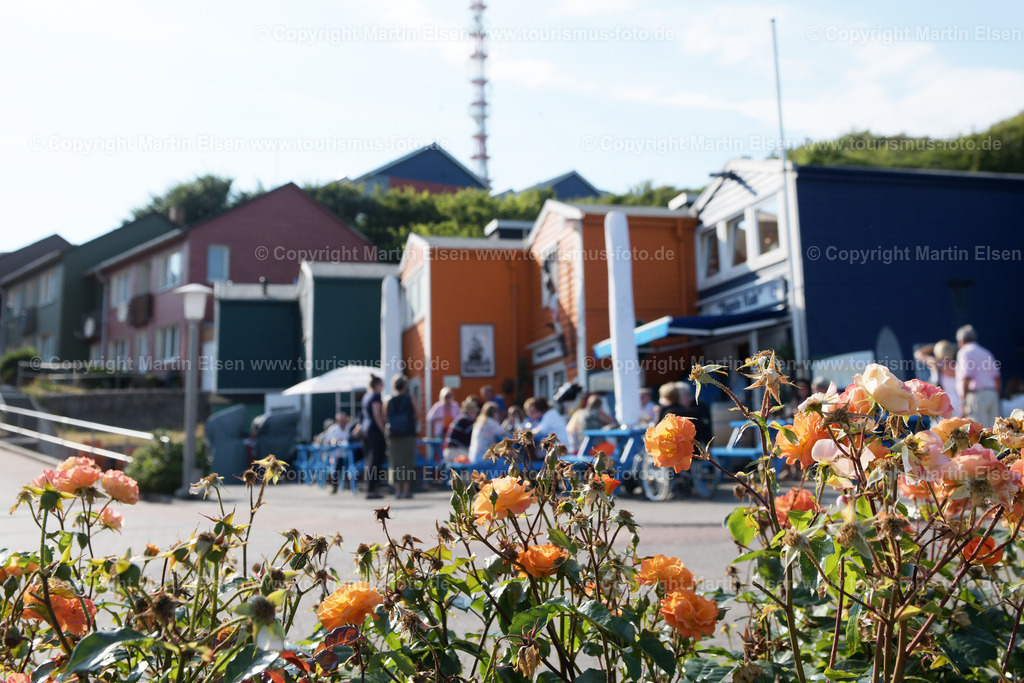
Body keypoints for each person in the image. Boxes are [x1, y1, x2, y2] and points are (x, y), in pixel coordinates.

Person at [955, 324, 1001, 428]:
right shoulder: (986, 352)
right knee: (995, 432)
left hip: (976, 397)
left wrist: (963, 402)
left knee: (979, 433)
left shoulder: (964, 352)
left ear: (961, 340)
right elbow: (997, 378)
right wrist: (996, 396)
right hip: (992, 394)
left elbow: (966, 379)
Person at [385, 375, 418, 500]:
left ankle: (397, 490)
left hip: (393, 435)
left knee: (395, 463)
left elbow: (385, 417)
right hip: (408, 434)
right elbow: (416, 415)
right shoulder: (410, 398)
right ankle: (406, 490)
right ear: (405, 386)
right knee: (407, 462)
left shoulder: (388, 400)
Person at [914, 340, 962, 417]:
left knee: (939, 427)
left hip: (942, 402)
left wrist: (933, 346)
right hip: (958, 402)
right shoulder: (957, 367)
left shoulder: (935, 364)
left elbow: (918, 354)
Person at [360, 375, 388, 499]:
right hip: (374, 431)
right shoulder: (375, 396)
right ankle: (371, 489)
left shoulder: (366, 396)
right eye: (382, 384)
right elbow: (377, 414)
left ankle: (369, 487)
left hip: (366, 430)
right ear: (377, 385)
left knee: (369, 459)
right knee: (376, 460)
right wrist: (383, 431)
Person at [444, 397, 480, 463]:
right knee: (476, 460)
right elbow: (475, 439)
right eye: (475, 412)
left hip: (450, 451)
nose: (476, 415)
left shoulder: (460, 418)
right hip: (456, 451)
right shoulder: (466, 421)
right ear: (470, 412)